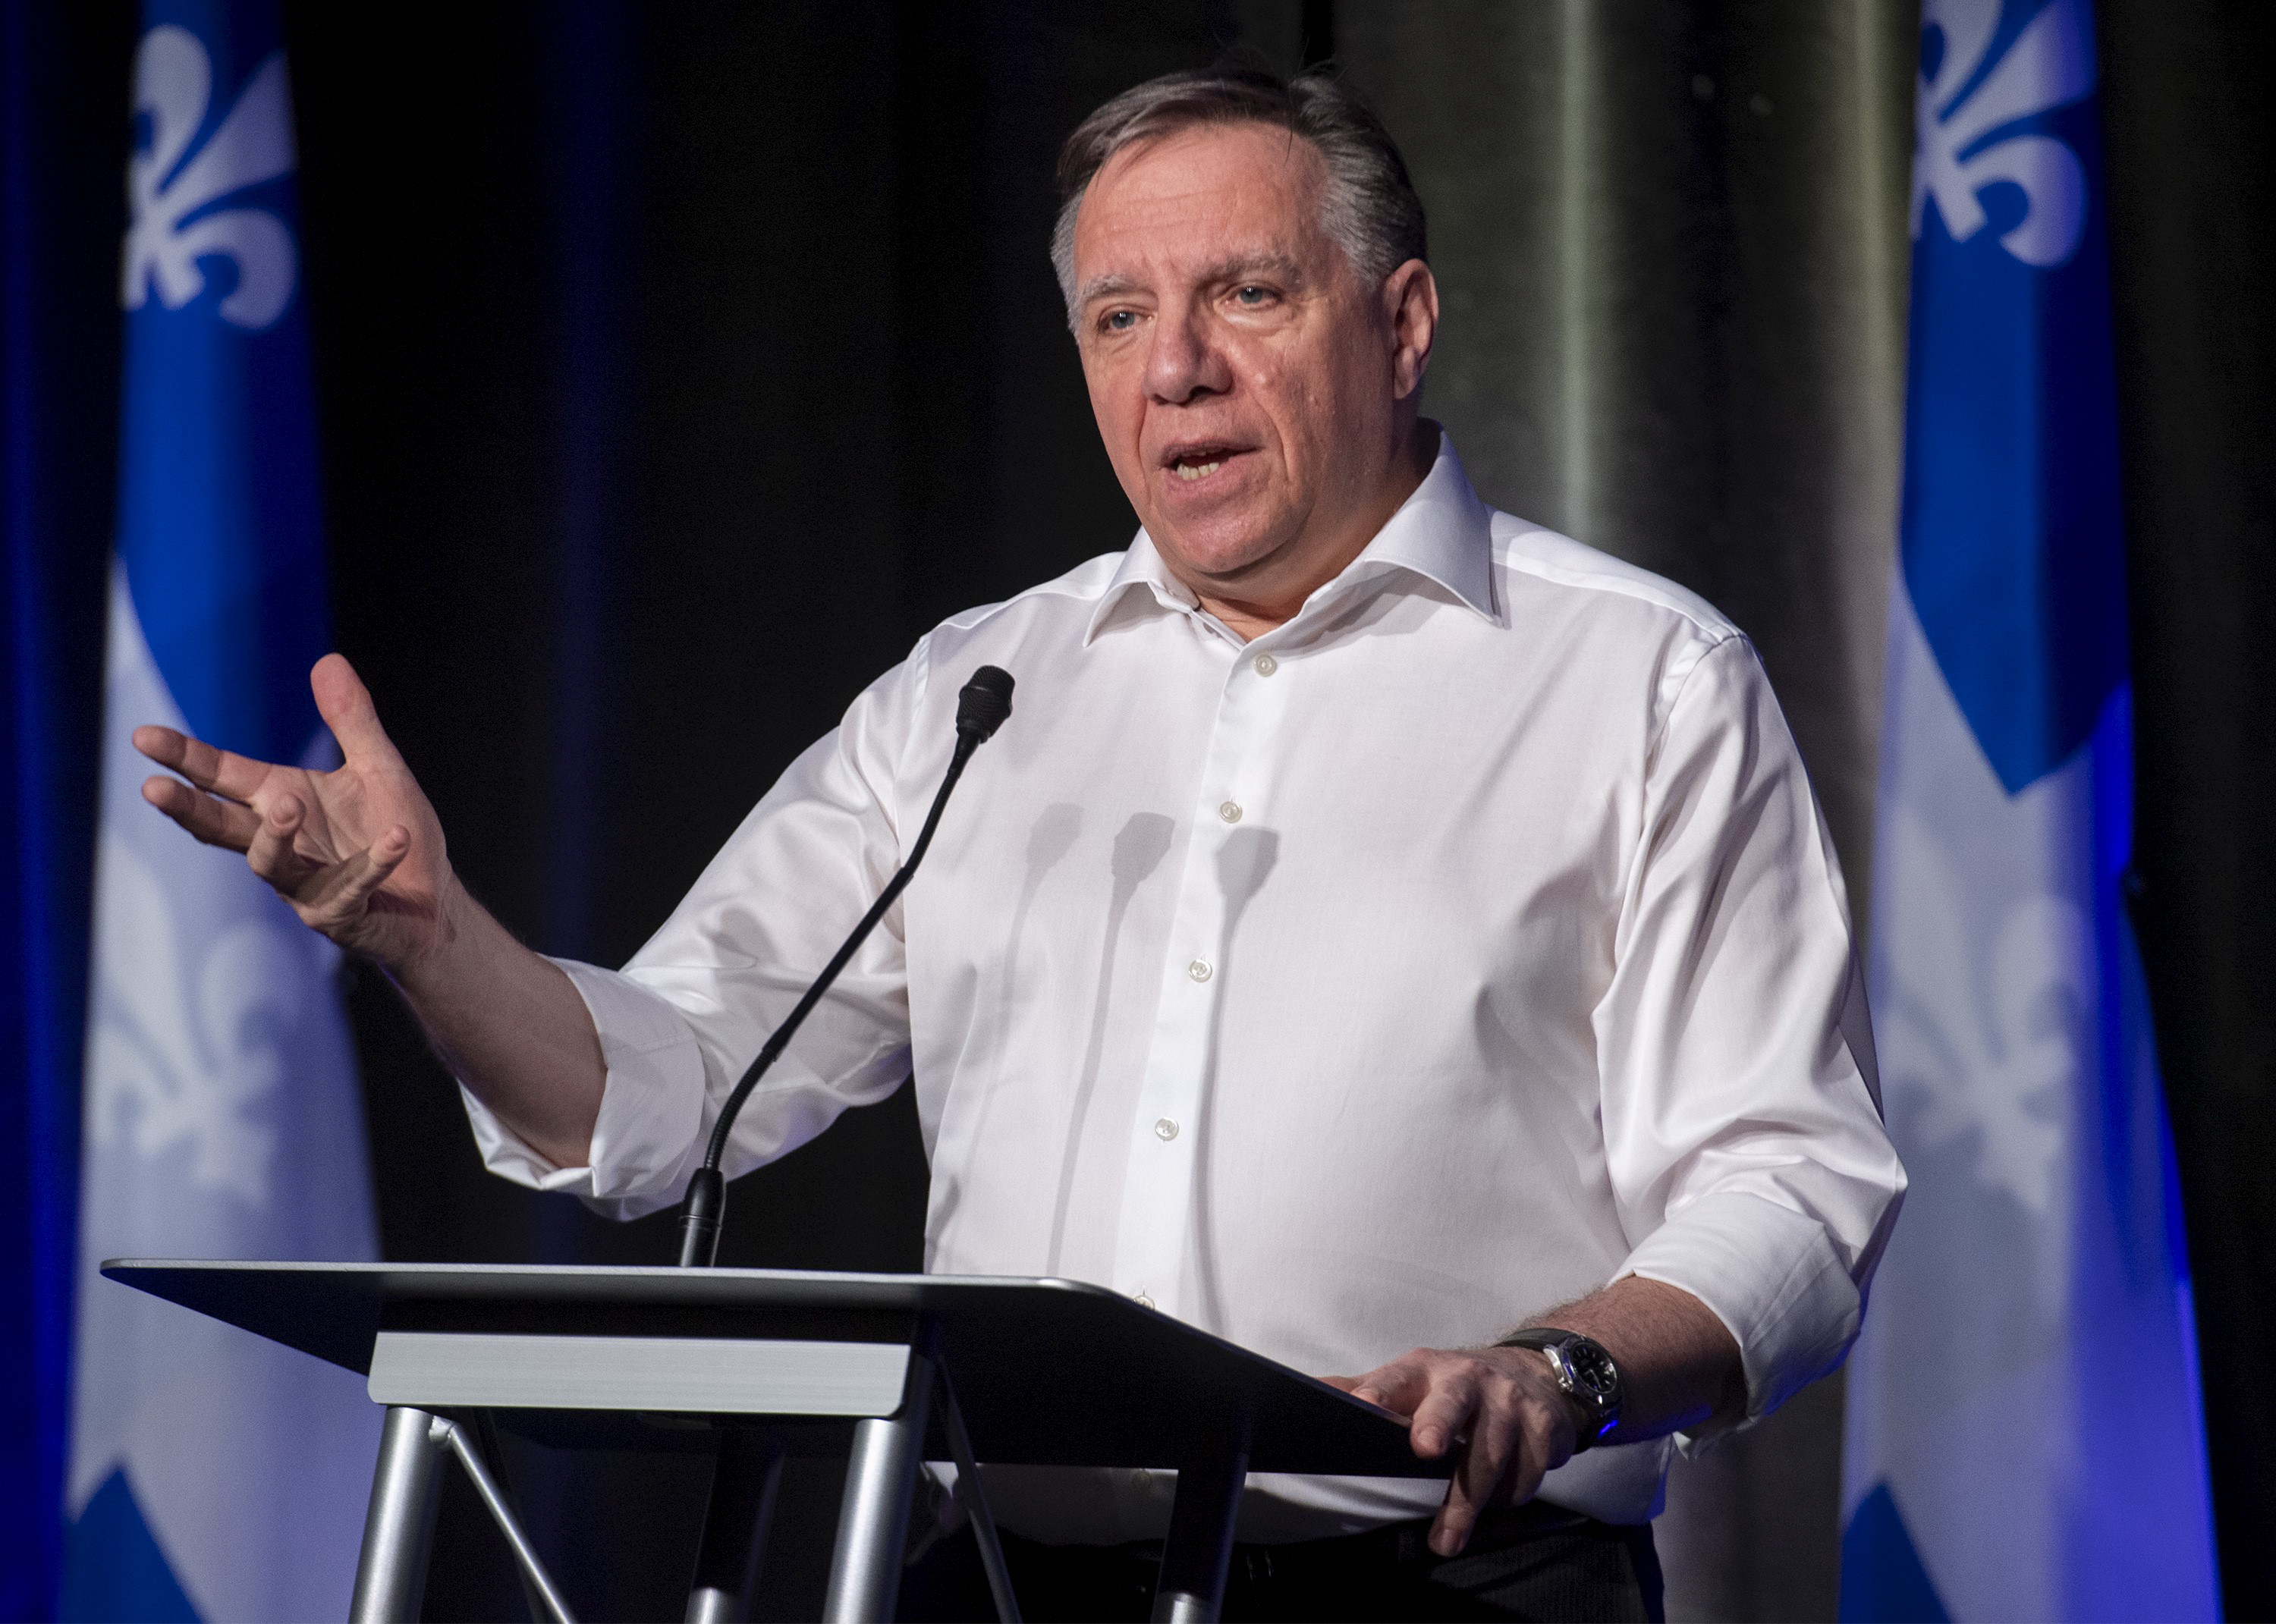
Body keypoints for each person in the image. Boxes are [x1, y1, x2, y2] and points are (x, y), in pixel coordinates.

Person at [133, 67, 1902, 1623]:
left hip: (1450, 1586)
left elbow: (1790, 1185)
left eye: (1248, 293)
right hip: (993, 1584)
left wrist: (1557, 1373)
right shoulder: (977, 694)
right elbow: (663, 1090)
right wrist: (425, 938)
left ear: (1403, 320)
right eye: (1119, 317)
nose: (1177, 368)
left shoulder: (1640, 682)